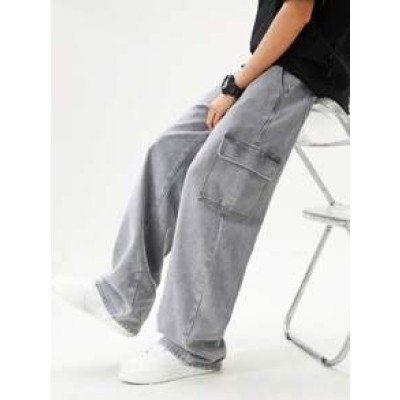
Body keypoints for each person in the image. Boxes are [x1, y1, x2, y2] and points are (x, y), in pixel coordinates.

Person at [52, 0, 350, 385]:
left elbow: (297, 10)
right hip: (271, 62)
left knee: (215, 182)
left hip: (299, 72)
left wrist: (236, 84)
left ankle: (192, 345)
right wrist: (241, 78)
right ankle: (122, 295)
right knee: (169, 152)